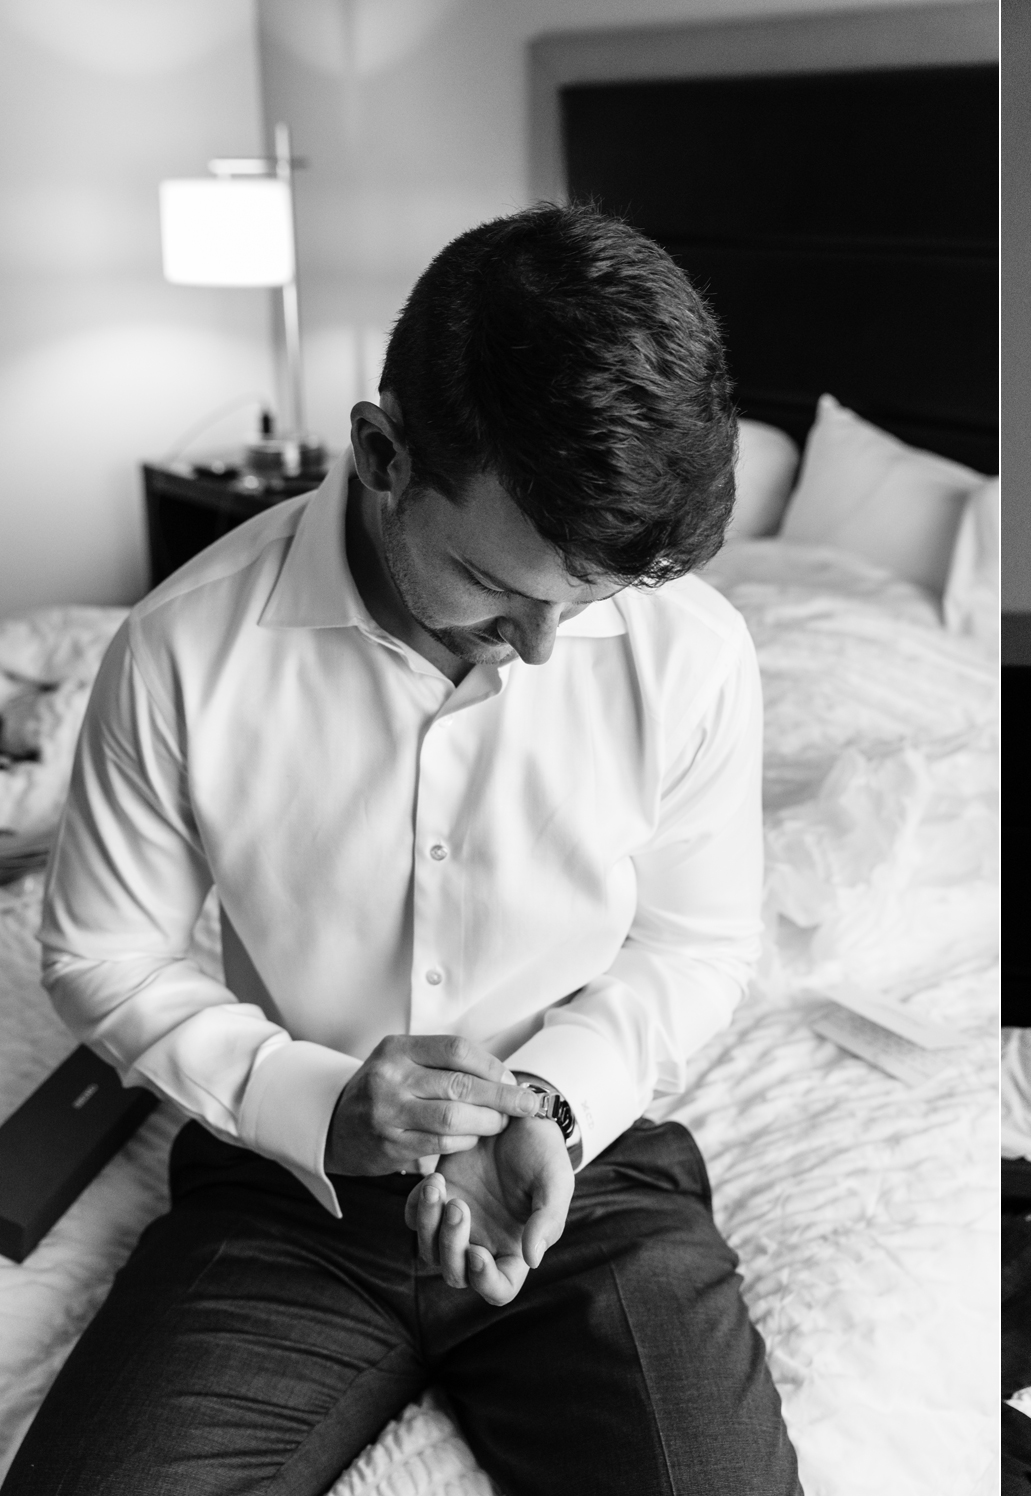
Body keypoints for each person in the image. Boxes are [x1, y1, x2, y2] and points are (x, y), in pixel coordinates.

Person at [10, 204, 798, 1495]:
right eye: (501, 589)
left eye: (586, 599)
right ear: (382, 454)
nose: (546, 649)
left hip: (584, 1177)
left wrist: (551, 1100)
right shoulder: (176, 655)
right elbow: (98, 952)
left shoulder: (697, 658)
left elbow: (699, 944)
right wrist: (315, 1105)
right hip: (286, 1198)